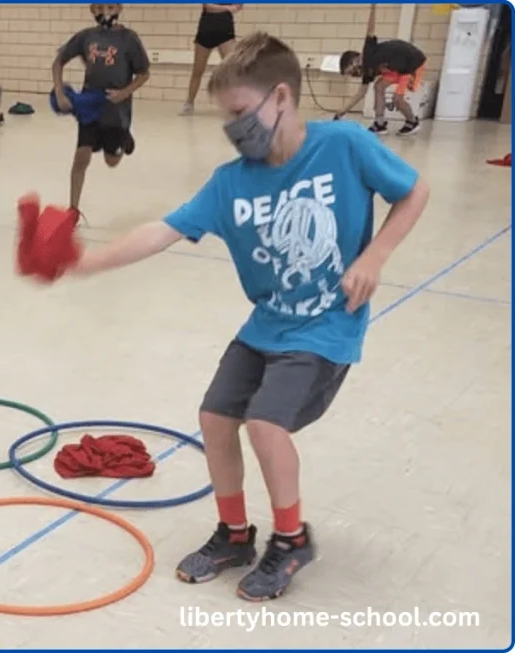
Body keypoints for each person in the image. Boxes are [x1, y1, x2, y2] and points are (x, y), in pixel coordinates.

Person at [53, 32, 429, 601]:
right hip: (265, 326)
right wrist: (87, 261)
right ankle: (233, 534)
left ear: (281, 97)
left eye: (239, 114)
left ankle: (292, 538)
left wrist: (376, 256)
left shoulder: (345, 146)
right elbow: (163, 230)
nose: (233, 130)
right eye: (224, 119)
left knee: (265, 424)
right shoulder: (231, 182)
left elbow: (415, 191)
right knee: (214, 418)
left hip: (326, 327)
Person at [52, 3, 150, 221]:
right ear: (92, 10)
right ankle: (73, 210)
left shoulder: (129, 39)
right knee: (81, 157)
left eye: (110, 6)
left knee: (111, 161)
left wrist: (124, 93)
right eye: (99, 7)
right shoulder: (87, 37)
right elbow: (58, 61)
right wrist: (60, 91)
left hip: (116, 109)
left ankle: (124, 140)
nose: (104, 11)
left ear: (119, 8)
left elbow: (144, 74)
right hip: (90, 105)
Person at [336, 4, 426, 135]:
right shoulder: (367, 71)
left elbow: (370, 28)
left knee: (397, 99)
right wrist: (341, 112)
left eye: (351, 71)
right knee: (378, 87)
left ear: (355, 61)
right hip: (396, 69)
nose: (354, 75)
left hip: (412, 63)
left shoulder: (368, 52)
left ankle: (412, 122)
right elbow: (360, 94)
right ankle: (380, 123)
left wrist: (373, 7)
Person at [181, 4, 243, 115]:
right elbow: (208, 6)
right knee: (198, 69)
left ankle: (235, 104)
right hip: (206, 30)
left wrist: (235, 6)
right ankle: (189, 103)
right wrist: (227, 8)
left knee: (232, 69)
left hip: (225, 30)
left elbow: (238, 6)